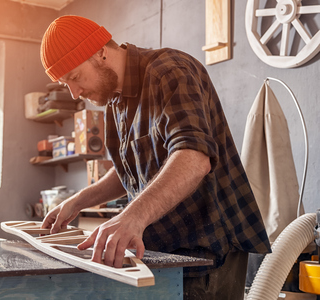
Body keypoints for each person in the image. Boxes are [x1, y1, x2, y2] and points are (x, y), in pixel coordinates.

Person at [39, 15, 271, 299]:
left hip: (206, 248)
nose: (75, 93)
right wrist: (78, 201)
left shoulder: (169, 72)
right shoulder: (114, 100)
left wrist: (132, 216)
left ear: (100, 52)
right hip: (162, 249)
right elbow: (130, 172)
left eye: (74, 77)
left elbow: (194, 157)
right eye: (66, 85)